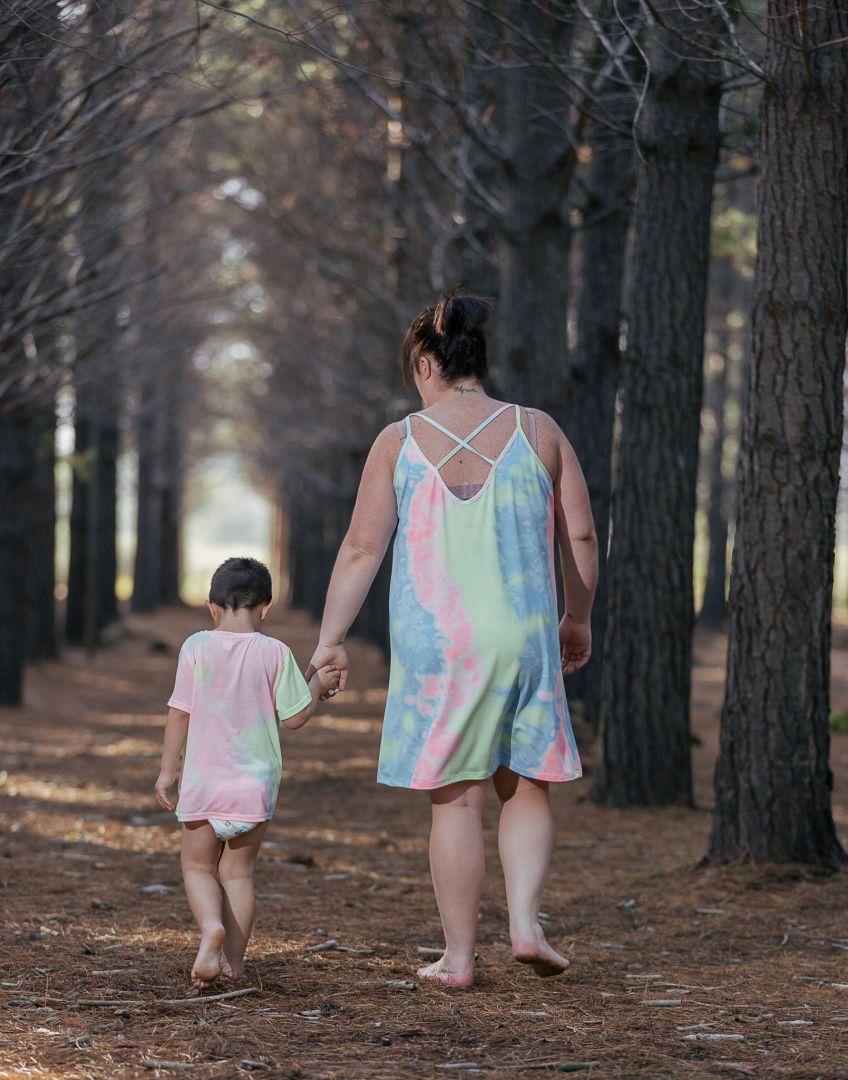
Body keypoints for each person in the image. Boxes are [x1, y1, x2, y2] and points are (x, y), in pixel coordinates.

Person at [307, 294, 598, 988]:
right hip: (523, 635)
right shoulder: (538, 430)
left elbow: (361, 548)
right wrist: (578, 617)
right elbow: (582, 535)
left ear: (426, 364)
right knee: (525, 784)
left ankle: (459, 958)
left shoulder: (398, 441)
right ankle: (525, 925)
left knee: (457, 799)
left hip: (437, 647)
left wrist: (330, 639)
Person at [155, 557, 340, 989]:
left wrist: (167, 772)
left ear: (212, 607)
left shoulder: (196, 647)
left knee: (197, 867)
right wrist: (317, 685)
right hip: (253, 788)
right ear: (265, 608)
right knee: (238, 875)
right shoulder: (275, 652)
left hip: (204, 783)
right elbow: (294, 716)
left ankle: (210, 929)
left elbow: (179, 712)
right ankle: (233, 965)